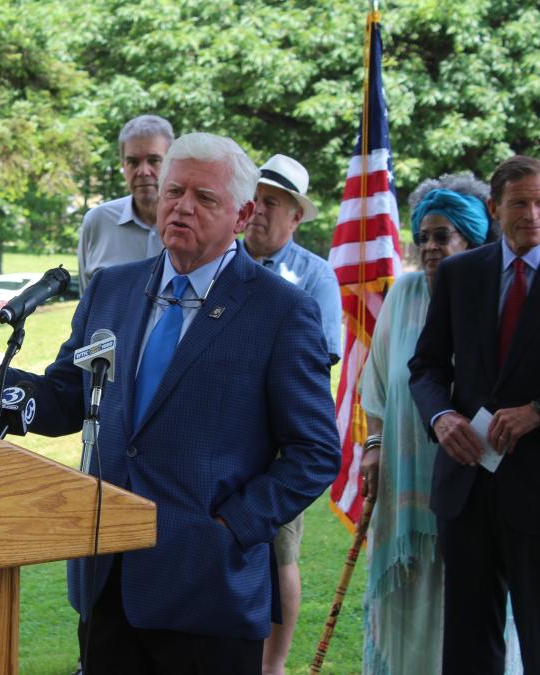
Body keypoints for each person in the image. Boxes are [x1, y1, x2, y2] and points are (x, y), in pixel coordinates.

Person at [0, 132, 340, 673]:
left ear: (241, 215)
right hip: (106, 581)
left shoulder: (282, 311)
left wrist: (234, 523)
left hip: (207, 590)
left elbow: (314, 451)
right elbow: (59, 401)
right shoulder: (112, 290)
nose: (182, 207)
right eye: (174, 192)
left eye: (205, 198)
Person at [409, 156, 540, 674]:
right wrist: (441, 416)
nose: (532, 214)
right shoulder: (462, 274)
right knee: (466, 642)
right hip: (466, 486)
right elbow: (427, 366)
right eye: (519, 203)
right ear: (494, 208)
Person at [359, 173, 524, 674]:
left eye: (443, 235)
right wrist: (373, 444)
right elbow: (378, 386)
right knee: (410, 597)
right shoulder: (403, 296)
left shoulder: (497, 297)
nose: (430, 247)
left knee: (472, 599)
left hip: (476, 482)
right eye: (423, 236)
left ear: (472, 239)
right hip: (406, 488)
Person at [244, 153, 342, 675]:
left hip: (284, 439)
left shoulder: (316, 276)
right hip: (225, 430)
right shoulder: (222, 262)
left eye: (273, 203)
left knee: (280, 550)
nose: (259, 211)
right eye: (255, 199)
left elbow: (318, 359)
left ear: (296, 216)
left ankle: (272, 664)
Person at [76, 115, 173, 291]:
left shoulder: (193, 224)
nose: (143, 171)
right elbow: (87, 305)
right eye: (133, 162)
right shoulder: (98, 222)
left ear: (172, 164)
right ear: (123, 166)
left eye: (154, 160)